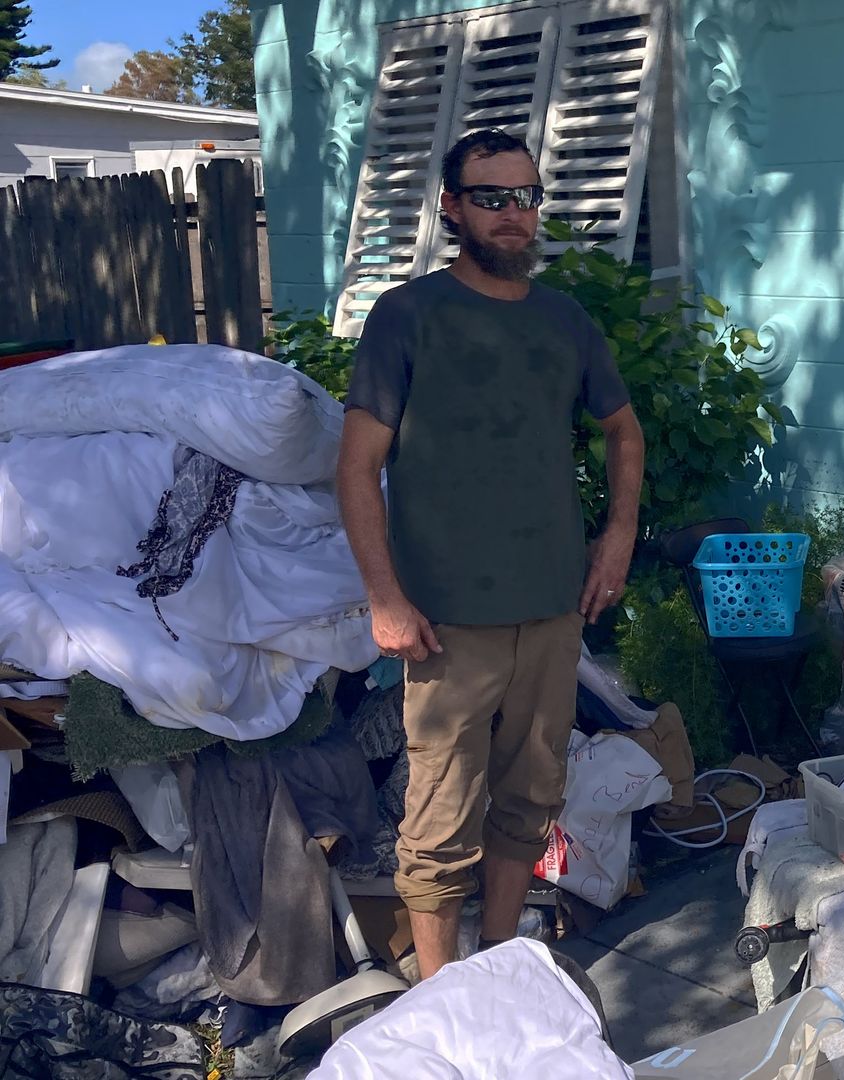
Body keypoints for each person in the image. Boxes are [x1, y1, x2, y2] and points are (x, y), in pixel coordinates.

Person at [336, 128, 646, 980]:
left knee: (530, 799)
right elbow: (356, 467)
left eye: (527, 198)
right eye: (493, 198)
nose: (515, 217)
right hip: (445, 620)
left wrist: (616, 536)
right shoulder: (409, 316)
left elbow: (623, 431)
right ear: (452, 207)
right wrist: (384, 598)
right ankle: (441, 999)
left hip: (551, 606)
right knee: (439, 817)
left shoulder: (563, 320)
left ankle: (499, 962)